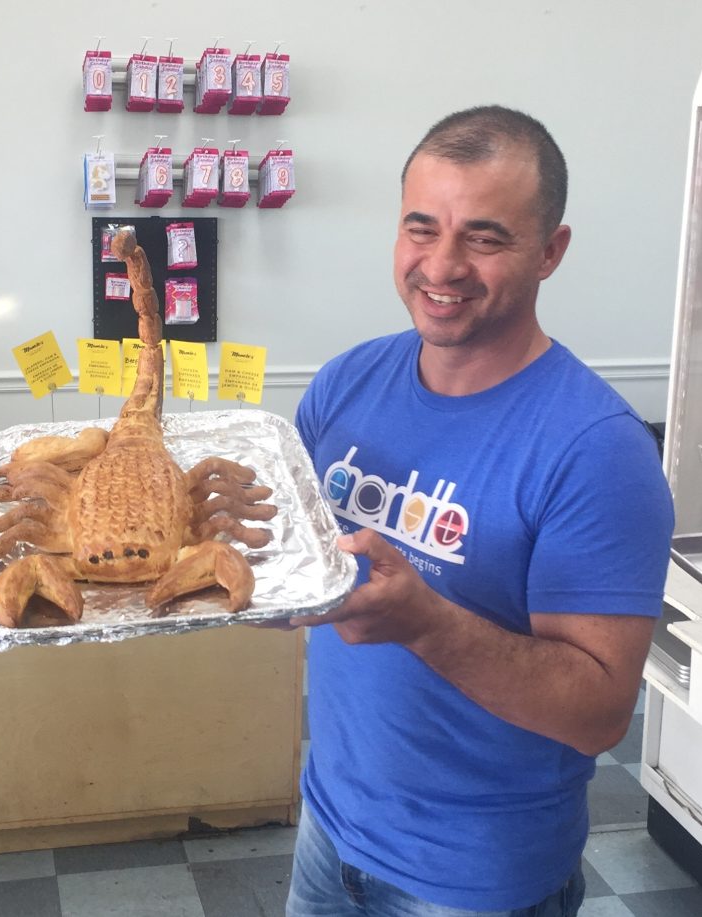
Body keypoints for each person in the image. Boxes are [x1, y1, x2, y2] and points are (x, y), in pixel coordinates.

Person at [284, 105, 675, 917]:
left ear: (550, 252)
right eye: (420, 228)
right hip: (328, 831)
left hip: (476, 882)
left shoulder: (597, 450)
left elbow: (601, 712)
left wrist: (426, 621)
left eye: (485, 238)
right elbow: (302, 574)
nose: (442, 264)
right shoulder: (345, 385)